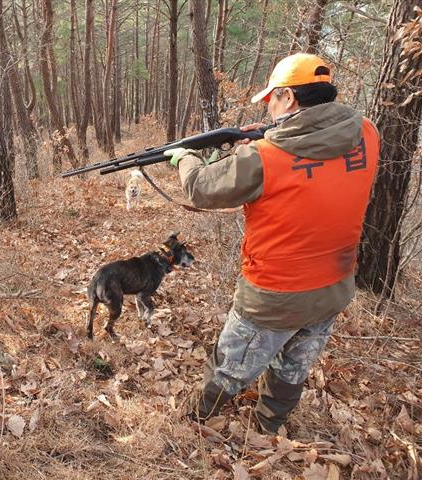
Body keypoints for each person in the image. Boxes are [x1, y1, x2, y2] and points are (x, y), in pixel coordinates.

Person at [164, 53, 379, 434]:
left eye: (271, 100)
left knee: (230, 366)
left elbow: (200, 187)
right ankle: (269, 426)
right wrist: (273, 131)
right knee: (294, 366)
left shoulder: (264, 157)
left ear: (289, 98)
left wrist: (185, 158)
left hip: (273, 295)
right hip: (334, 285)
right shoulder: (366, 133)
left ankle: (194, 423)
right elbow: (318, 160)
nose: (268, 107)